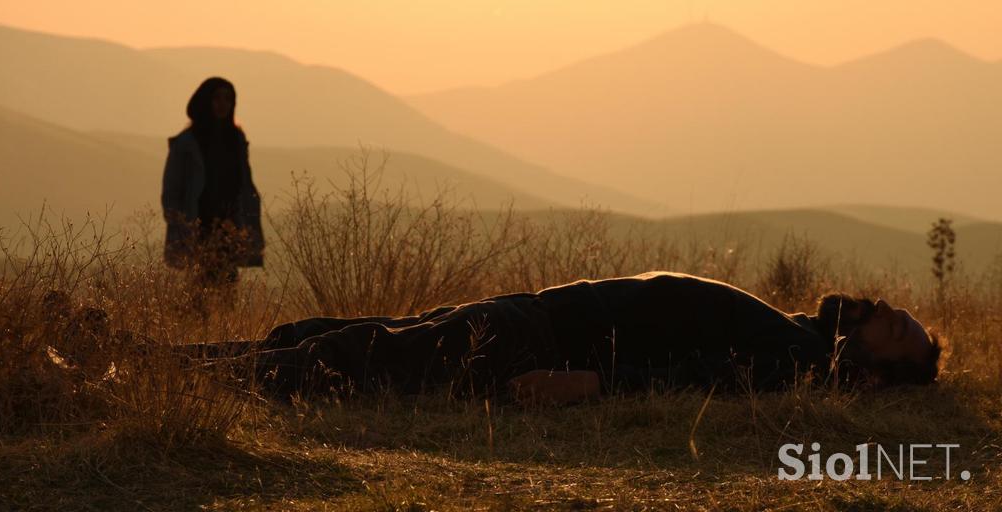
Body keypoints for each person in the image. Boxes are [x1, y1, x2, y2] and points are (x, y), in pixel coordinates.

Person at [186, 272, 942, 403]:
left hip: (538, 341)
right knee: (338, 336)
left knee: (349, 359)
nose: (884, 308)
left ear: (872, 370)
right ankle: (151, 361)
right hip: (535, 314)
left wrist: (595, 382)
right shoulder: (802, 331)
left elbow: (710, 374)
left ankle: (148, 373)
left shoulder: (800, 361)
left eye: (896, 327)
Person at [161, 77, 264, 285]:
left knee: (227, 288)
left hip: (230, 227)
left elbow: (245, 185)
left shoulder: (236, 140)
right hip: (198, 227)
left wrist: (247, 225)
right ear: (205, 101)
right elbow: (171, 191)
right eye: (217, 98)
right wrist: (181, 226)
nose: (222, 104)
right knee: (201, 289)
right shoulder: (186, 143)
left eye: (228, 99)